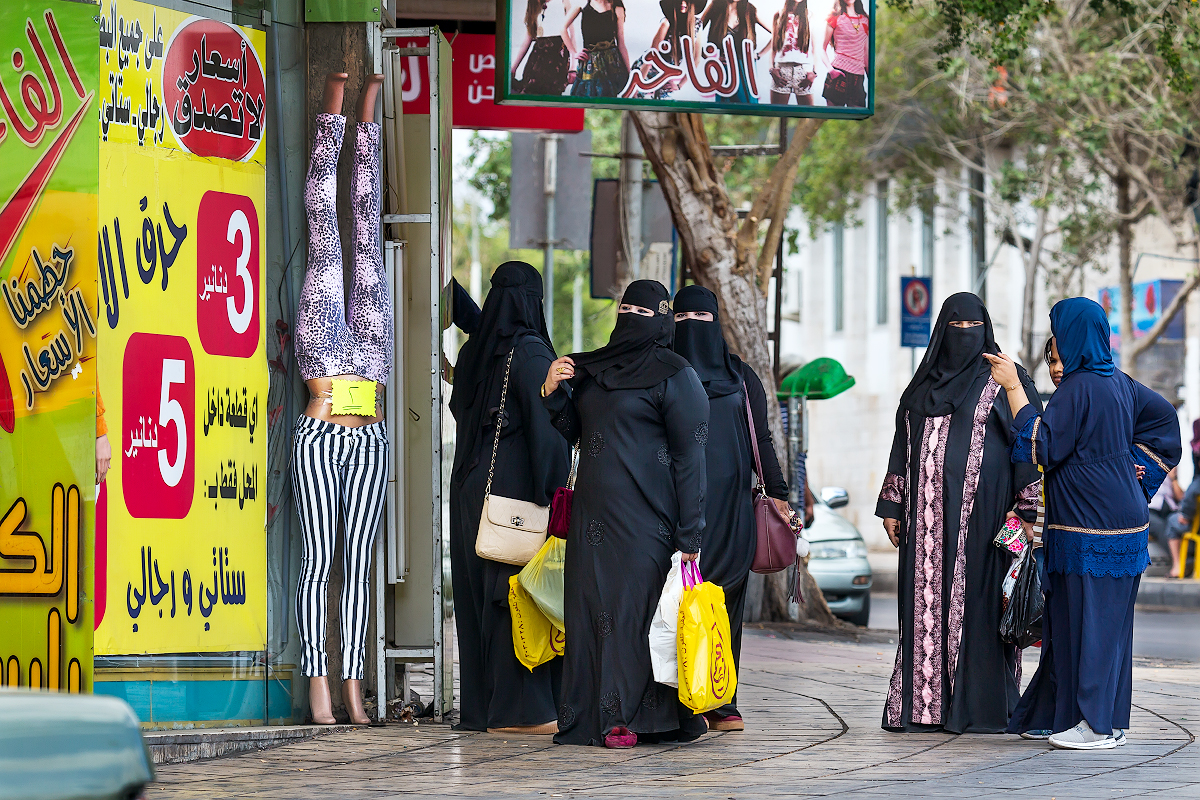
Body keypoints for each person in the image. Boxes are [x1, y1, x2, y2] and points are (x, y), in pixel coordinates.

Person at [990, 297, 1180, 750]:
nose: (1055, 345)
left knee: (1091, 626)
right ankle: (1070, 717)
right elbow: (1165, 423)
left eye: (1058, 333)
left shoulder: (1080, 388)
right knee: (1081, 626)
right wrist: (1134, 467)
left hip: (1095, 528)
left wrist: (1015, 389)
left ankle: (1097, 727)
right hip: (1103, 525)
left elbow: (1041, 448)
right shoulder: (1117, 382)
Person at [542, 280, 709, 748]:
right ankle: (586, 718)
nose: (631, 316)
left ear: (661, 317)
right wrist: (555, 392)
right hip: (593, 518)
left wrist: (690, 533)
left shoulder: (677, 375)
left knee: (634, 615)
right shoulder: (594, 369)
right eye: (626, 307)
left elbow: (690, 459)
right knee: (591, 612)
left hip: (649, 521)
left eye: (643, 309)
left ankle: (629, 719)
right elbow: (576, 431)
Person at [876, 292, 1043, 734]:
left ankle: (981, 707)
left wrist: (1027, 508)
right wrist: (893, 505)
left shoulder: (1004, 378)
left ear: (986, 329)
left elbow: (1028, 442)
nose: (965, 336)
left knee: (979, 609)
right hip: (925, 522)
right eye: (956, 328)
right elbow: (901, 448)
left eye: (973, 328)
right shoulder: (921, 386)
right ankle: (923, 707)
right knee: (925, 609)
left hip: (983, 521)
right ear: (941, 332)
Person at [291, 72, 391, 726]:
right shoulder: (321, 302)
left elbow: (366, 214)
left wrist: (370, 122)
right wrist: (338, 114)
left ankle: (353, 681)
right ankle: (317, 680)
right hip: (322, 423)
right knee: (319, 560)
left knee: (366, 227)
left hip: (370, 429)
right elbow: (321, 217)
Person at [447, 261, 571, 734]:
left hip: (471, 490)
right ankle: (519, 712)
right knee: (514, 597)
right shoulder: (532, 353)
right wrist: (553, 492)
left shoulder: (477, 350)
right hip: (515, 494)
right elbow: (548, 432)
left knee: (480, 597)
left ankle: (483, 708)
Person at [672, 285, 791, 732]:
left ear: (716, 321)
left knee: (725, 602)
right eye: (682, 320)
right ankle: (681, 698)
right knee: (675, 603)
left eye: (700, 319)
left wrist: (778, 491)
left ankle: (722, 700)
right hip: (674, 508)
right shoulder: (663, 371)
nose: (691, 329)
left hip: (732, 509)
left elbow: (761, 437)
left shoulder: (741, 377)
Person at [700, 0, 770, 103]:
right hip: (723, 66)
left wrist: (760, 54)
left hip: (745, 66)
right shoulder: (715, 6)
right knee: (723, 106)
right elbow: (692, 33)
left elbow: (778, 33)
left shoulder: (750, 10)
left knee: (748, 104)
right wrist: (707, 56)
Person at [565, 0, 630, 98]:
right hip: (590, 63)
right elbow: (562, 28)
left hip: (612, 64)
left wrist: (630, 76)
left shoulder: (616, 8)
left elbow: (621, 44)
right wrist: (574, 53)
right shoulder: (583, 4)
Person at [511, 0, 575, 95]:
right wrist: (514, 68)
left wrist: (573, 67)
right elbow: (528, 39)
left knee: (552, 92)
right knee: (529, 90)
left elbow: (572, 35)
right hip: (538, 58)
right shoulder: (534, 6)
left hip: (557, 59)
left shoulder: (563, 2)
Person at [765, 0, 816, 105]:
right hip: (782, 70)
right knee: (778, 115)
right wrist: (771, 69)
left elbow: (815, 48)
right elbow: (774, 46)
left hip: (803, 70)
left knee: (808, 116)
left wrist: (814, 73)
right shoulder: (779, 14)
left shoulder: (809, 15)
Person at [820, 0, 869, 107]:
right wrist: (831, 70)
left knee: (858, 116)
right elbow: (822, 49)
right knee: (833, 116)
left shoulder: (865, 20)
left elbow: (865, 53)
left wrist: (872, 80)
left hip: (858, 76)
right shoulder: (835, 17)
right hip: (838, 73)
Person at [1152, 466, 1184, 577]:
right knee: (1161, 527)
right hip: (1150, 509)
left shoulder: (1172, 467)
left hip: (1170, 509)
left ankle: (1187, 560)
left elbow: (1181, 498)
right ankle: (1182, 563)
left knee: (1178, 523)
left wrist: (1173, 478)